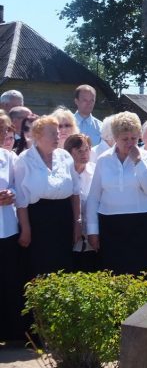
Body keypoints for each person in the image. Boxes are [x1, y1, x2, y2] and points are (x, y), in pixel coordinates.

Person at [87, 112, 147, 277]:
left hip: (140, 224)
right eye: (124, 139)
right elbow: (93, 198)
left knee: (142, 274)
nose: (130, 143)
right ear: (114, 138)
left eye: (134, 138)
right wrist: (92, 230)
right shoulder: (103, 160)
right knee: (114, 273)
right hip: (110, 225)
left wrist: (138, 162)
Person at [15, 115, 81, 277]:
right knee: (40, 265)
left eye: (58, 132)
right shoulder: (25, 159)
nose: (57, 136)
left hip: (63, 216)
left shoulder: (65, 157)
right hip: (38, 219)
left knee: (64, 265)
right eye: (52, 133)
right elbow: (21, 199)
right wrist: (26, 228)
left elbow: (75, 192)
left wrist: (77, 221)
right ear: (38, 136)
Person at [0, 110, 25, 341]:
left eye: (6, 129)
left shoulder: (9, 158)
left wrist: (11, 194)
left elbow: (20, 186)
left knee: (8, 281)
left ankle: (10, 333)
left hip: (7, 228)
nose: (3, 133)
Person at [64, 133, 97, 272]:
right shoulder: (64, 173)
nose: (84, 154)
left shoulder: (96, 171)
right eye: (79, 151)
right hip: (69, 233)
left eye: (87, 149)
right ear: (69, 152)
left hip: (92, 233)